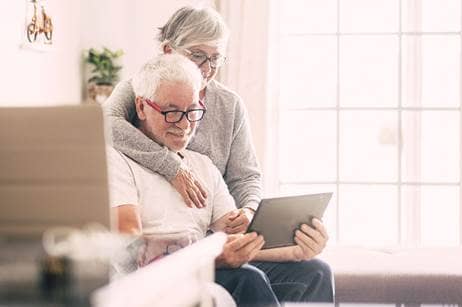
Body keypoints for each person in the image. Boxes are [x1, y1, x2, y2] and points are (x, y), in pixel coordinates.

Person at [108, 54, 333, 306]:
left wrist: (296, 250)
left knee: (315, 272)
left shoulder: (201, 165)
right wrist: (213, 258)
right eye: (171, 112)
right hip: (154, 282)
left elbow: (239, 238)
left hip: (204, 268)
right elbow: (128, 245)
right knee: (247, 278)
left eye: (193, 111)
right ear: (141, 106)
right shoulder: (117, 161)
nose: (184, 124)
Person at [104, 6, 256, 234]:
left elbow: (245, 177)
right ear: (168, 51)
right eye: (197, 55)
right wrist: (173, 167)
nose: (207, 68)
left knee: (312, 268)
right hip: (162, 237)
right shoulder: (141, 89)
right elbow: (105, 126)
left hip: (214, 231)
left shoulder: (230, 105)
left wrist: (249, 210)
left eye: (215, 58)